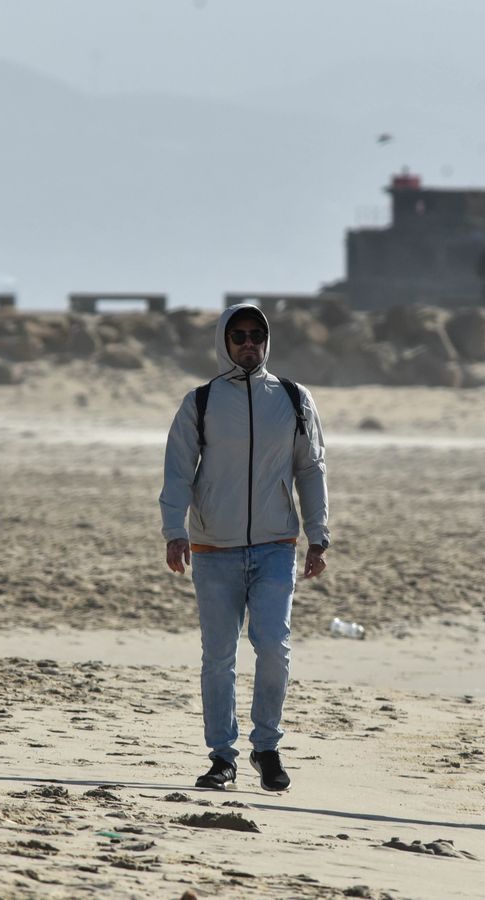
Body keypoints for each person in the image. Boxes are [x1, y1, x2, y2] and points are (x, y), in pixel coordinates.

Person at [160, 303, 330, 793]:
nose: (249, 343)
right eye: (239, 336)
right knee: (218, 656)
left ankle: (267, 748)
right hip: (214, 548)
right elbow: (177, 470)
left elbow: (311, 468)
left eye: (257, 334)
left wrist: (318, 535)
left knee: (273, 646)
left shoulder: (294, 398)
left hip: (276, 545)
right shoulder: (202, 402)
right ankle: (222, 757)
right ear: (224, 342)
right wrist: (175, 531)